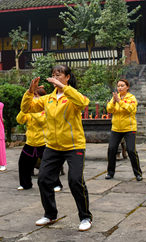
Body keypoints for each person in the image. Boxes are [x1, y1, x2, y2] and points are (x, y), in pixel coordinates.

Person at [21, 64, 93, 232]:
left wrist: (64, 88)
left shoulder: (73, 96)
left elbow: (83, 102)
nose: (56, 77)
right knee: (43, 179)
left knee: (75, 180)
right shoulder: (48, 99)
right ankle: (50, 214)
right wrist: (30, 92)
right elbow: (26, 108)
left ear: (67, 77)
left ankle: (85, 217)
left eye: (59, 75)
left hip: (73, 145)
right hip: (53, 146)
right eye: (54, 75)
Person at [16, 86, 64, 192]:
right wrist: (24, 109)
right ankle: (25, 184)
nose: (33, 98)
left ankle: (56, 184)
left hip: (44, 143)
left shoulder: (47, 109)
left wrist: (31, 110)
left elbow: (42, 120)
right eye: (33, 96)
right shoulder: (29, 110)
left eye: (36, 96)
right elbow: (19, 120)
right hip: (30, 142)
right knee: (23, 163)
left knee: (49, 166)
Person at [105, 79, 143, 181]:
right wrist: (113, 101)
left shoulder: (131, 98)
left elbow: (130, 109)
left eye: (122, 86)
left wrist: (119, 101)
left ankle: (138, 173)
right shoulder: (115, 97)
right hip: (116, 128)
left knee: (131, 150)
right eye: (118, 86)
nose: (120, 88)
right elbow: (109, 109)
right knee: (111, 149)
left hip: (129, 128)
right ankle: (110, 172)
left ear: (127, 87)